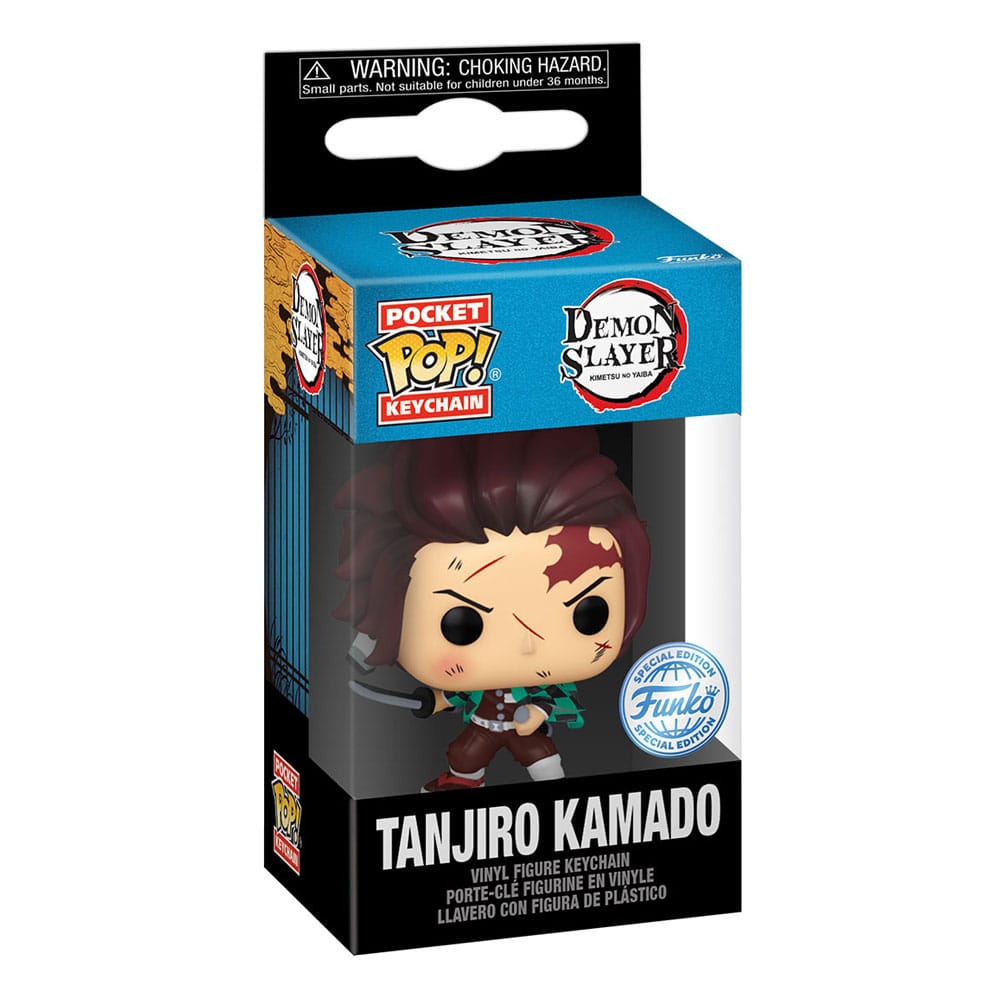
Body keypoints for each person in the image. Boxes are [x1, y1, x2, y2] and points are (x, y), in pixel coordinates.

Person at [335, 426, 650, 791]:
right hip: (482, 728)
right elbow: (454, 696)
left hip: (523, 731)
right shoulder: (470, 681)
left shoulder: (545, 684)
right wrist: (433, 701)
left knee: (541, 757)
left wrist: (538, 712)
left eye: (588, 614)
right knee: (464, 756)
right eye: (462, 624)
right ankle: (462, 783)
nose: (528, 644)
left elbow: (560, 698)